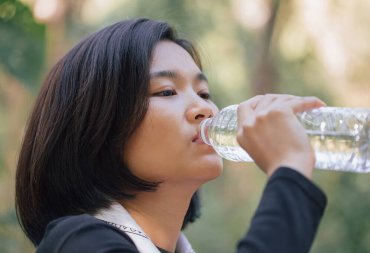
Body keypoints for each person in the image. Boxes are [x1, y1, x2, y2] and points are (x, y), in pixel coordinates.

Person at [15, 18, 327, 253]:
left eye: (204, 93)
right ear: (96, 128)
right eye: (166, 91)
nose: (204, 109)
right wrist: (290, 172)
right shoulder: (77, 242)